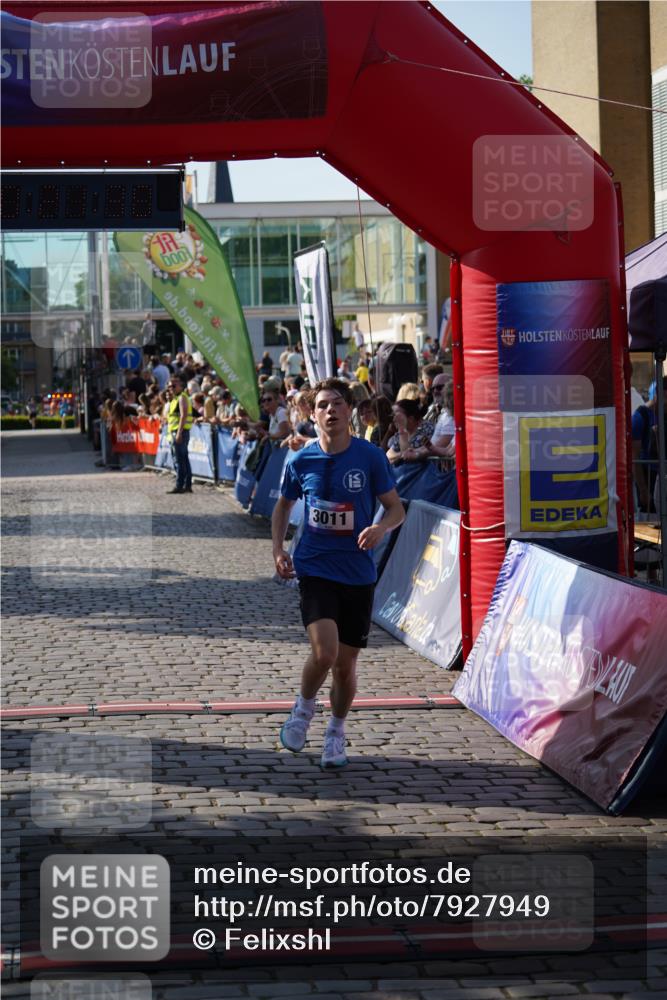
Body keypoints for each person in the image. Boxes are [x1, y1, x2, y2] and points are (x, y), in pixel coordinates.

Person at [272, 378, 405, 768]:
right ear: (312, 415)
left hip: (358, 573)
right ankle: (303, 709)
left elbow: (396, 509)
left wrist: (381, 527)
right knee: (325, 652)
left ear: (349, 412)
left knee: (346, 666)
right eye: (323, 406)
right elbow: (282, 508)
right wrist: (278, 549)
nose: (331, 411)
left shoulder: (370, 457)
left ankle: (336, 732)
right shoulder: (302, 460)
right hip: (314, 567)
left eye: (338, 404)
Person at [166, 374, 193, 494]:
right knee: (184, 459)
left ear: (180, 386)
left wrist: (179, 433)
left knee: (180, 460)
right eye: (169, 386)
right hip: (177, 431)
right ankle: (187, 485)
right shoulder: (175, 398)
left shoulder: (182, 397)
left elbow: (183, 415)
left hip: (179, 432)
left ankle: (179, 485)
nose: (171, 388)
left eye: (173, 386)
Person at [386, 398, 434, 463]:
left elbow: (408, 458)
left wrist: (402, 430)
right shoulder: (401, 432)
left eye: (397, 416)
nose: (394, 420)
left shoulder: (427, 429)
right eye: (393, 416)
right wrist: (400, 455)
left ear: (411, 418)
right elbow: (388, 455)